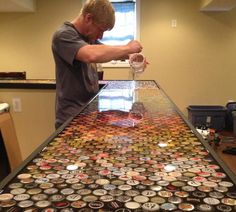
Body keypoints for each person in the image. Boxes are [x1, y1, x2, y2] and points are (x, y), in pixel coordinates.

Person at [52, 0, 144, 129]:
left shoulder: (88, 38)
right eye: (101, 30)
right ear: (88, 18)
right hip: (70, 119)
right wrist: (128, 48)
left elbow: (107, 52)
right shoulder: (63, 35)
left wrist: (133, 57)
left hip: (88, 115)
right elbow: (91, 55)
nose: (101, 36)